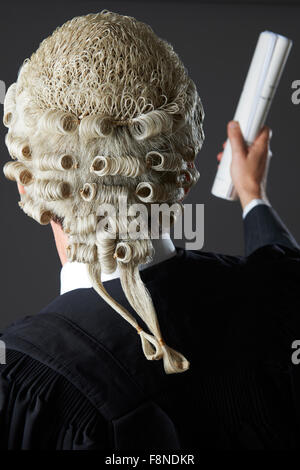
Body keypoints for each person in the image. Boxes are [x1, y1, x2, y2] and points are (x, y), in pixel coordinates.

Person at [1, 10, 300, 450]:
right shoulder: (273, 301)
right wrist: (252, 195)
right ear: (182, 167)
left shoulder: (25, 381)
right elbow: (280, 269)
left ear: (29, 180)